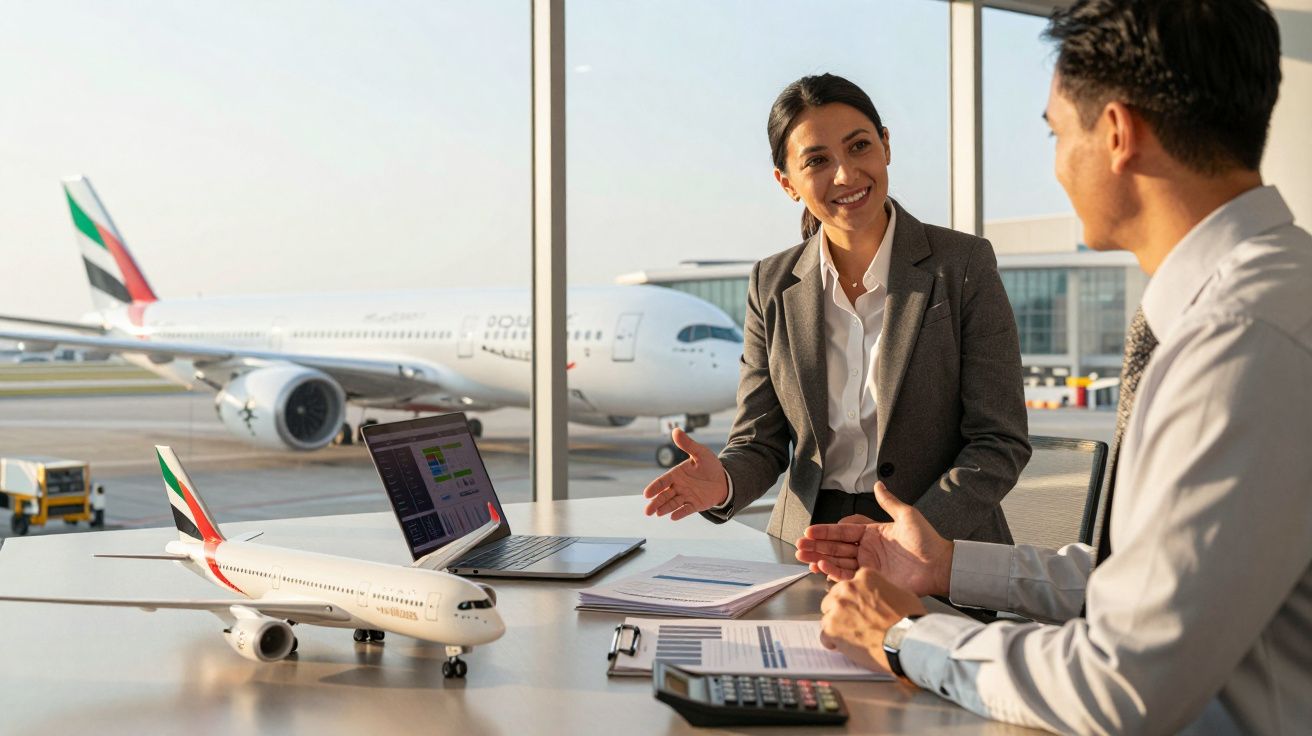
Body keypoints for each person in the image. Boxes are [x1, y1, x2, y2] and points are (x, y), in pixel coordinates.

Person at [798, 1, 1310, 733]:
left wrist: (906, 634)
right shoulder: (1258, 303)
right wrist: (945, 566)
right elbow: (1140, 583)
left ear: (1117, 133)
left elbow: (1122, 684)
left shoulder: (1238, 342)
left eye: (1055, 133)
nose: (1056, 164)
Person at [642, 73, 1031, 550]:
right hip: (808, 544)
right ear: (787, 183)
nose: (845, 174)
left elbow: (999, 441)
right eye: (818, 161)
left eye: (860, 146)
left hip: (937, 542)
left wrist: (910, 535)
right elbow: (760, 442)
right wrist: (724, 481)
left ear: (886, 146)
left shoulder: (963, 264)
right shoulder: (772, 282)